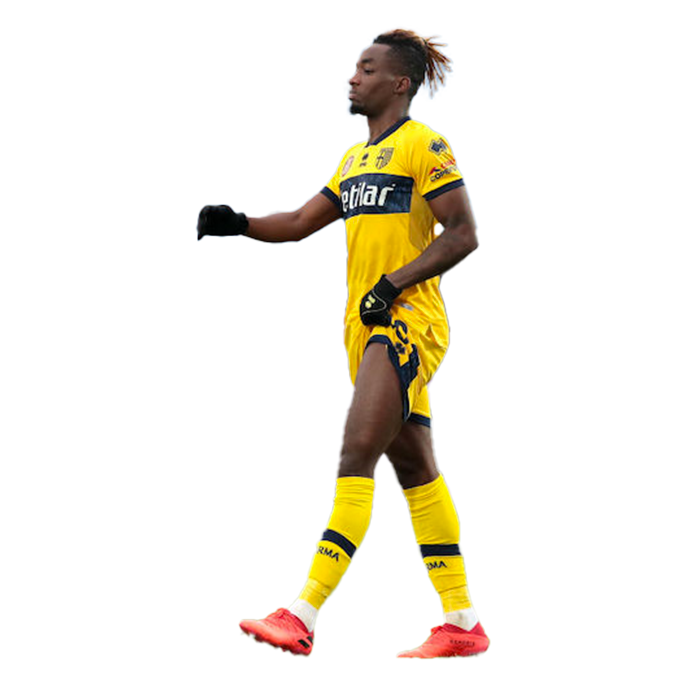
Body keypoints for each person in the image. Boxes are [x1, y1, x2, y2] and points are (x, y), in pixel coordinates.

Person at [197, 28, 489, 660]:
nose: (353, 77)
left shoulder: (423, 144)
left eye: (367, 68)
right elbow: (302, 221)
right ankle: (462, 621)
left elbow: (463, 234)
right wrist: (237, 223)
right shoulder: (355, 159)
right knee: (416, 472)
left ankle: (301, 613)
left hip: (405, 322)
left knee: (356, 454)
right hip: (365, 326)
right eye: (355, 67)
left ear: (400, 83)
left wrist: (392, 284)